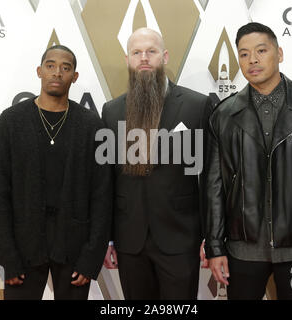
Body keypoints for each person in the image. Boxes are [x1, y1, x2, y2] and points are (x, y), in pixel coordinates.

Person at [204, 22, 292, 300]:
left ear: (279, 53)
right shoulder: (224, 115)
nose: (252, 60)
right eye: (243, 54)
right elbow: (214, 187)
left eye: (261, 50)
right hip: (242, 251)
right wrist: (215, 248)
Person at [0, 45, 112, 300]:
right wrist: (6, 257)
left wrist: (91, 258)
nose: (57, 73)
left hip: (75, 249)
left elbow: (102, 196)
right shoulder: (10, 122)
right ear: (39, 71)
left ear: (74, 77)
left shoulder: (92, 126)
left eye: (66, 68)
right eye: (51, 66)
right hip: (22, 250)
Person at [101, 28, 213, 299]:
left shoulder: (197, 105)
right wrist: (107, 238)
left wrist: (212, 237)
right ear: (127, 59)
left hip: (181, 236)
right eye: (136, 52)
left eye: (151, 51)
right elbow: (106, 180)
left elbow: (210, 176)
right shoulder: (112, 110)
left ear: (164, 56)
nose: (144, 58)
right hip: (130, 239)